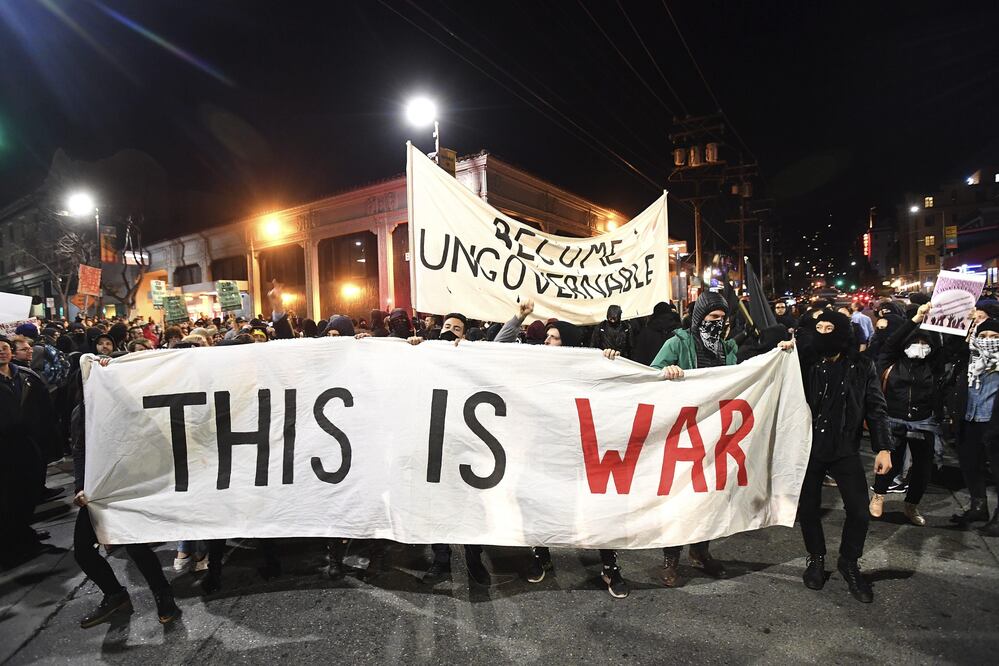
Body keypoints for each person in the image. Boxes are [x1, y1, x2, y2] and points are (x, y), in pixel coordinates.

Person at [652, 292, 794, 588]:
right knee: (680, 500)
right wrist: (666, 371)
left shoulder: (726, 348)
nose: (718, 323)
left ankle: (701, 552)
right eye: (712, 318)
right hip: (685, 434)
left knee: (711, 498)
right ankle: (671, 560)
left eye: (722, 318)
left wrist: (777, 352)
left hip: (717, 435)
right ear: (699, 317)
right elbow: (651, 376)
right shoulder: (677, 344)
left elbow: (744, 373)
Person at [797, 310, 893, 603]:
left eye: (831, 328)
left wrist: (884, 447)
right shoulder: (804, 363)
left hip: (845, 448)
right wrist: (784, 349)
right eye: (820, 328)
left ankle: (849, 562)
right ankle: (816, 558)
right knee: (808, 507)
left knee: (859, 511)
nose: (825, 333)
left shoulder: (862, 365)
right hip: (809, 448)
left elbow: (875, 408)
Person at [869, 303, 942, 526]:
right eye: (914, 342)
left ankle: (911, 505)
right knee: (890, 462)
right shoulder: (890, 361)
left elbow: (949, 348)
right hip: (893, 417)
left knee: (922, 466)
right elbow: (891, 342)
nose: (919, 346)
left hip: (923, 421)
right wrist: (914, 320)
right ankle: (878, 496)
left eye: (924, 343)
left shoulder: (933, 365)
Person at [950, 318, 999, 534]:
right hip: (969, 420)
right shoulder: (969, 358)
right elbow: (950, 346)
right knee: (970, 466)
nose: (988, 341)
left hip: (994, 424)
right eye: (984, 336)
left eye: (995, 337)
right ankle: (978, 507)